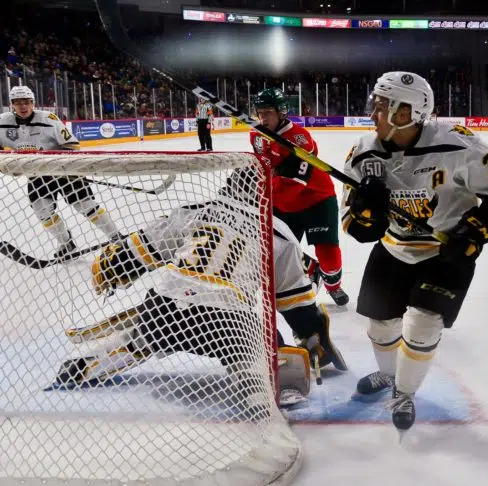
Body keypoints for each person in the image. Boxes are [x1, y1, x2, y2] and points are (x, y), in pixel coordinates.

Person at [53, 168, 347, 407]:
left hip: (164, 306)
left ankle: (86, 364)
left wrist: (117, 265)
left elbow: (139, 251)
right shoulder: (278, 233)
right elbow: (293, 301)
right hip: (226, 317)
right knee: (259, 353)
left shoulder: (195, 210)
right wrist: (312, 333)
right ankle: (263, 394)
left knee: (142, 339)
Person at [341, 71, 488, 432]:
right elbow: (357, 228)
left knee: (423, 326)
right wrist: (368, 212)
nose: (373, 114)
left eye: (382, 107)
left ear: (406, 112)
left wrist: (474, 232)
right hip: (393, 248)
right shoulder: (364, 152)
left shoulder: (459, 146)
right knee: (380, 326)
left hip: (444, 254)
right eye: (375, 105)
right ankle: (386, 374)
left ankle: (404, 391)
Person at [250, 88, 349, 306]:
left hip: (316, 199)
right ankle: (311, 268)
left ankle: (333, 285)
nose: (263, 118)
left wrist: (279, 173)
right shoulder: (256, 135)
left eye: (268, 112)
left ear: (281, 112)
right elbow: (265, 166)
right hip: (283, 201)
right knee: (275, 250)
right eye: (261, 113)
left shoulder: (299, 138)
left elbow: (299, 176)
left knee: (329, 257)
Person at [0, 85, 121, 257]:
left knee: (86, 206)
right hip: (37, 177)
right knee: (42, 212)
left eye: (26, 102)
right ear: (12, 104)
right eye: (18, 103)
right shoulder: (3, 122)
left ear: (33, 102)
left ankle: (117, 238)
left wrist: (58, 165)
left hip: (64, 171)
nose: (23, 106)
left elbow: (73, 145)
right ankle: (66, 243)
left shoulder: (49, 119)